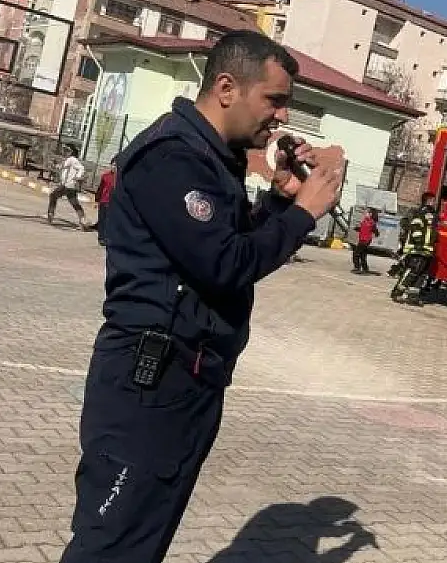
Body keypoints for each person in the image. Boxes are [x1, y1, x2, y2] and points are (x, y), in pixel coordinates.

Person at [58, 30, 342, 563]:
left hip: (184, 381)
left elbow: (225, 246)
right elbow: (225, 265)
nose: (280, 116)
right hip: (148, 384)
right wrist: (304, 212)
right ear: (228, 88)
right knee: (111, 545)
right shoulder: (173, 157)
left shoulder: (213, 161)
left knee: (142, 540)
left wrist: (279, 205)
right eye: (274, 100)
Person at [390, 192, 439, 306]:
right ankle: (397, 292)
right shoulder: (420, 213)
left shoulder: (432, 214)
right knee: (412, 271)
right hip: (417, 249)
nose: (434, 202)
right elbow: (416, 227)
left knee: (421, 274)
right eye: (432, 200)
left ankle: (413, 296)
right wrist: (418, 242)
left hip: (426, 250)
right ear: (427, 201)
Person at [48, 144, 89, 230]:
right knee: (74, 203)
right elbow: (62, 167)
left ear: (71, 152)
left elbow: (81, 168)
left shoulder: (72, 159)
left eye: (67, 150)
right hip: (68, 185)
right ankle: (83, 220)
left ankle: (51, 214)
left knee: (53, 195)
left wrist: (78, 176)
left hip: (68, 185)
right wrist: (55, 166)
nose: (65, 152)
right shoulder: (70, 160)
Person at [352, 208, 380, 274]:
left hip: (365, 240)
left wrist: (376, 233)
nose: (365, 214)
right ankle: (365, 268)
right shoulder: (365, 221)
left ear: (370, 214)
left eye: (367, 213)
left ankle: (357, 267)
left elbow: (375, 231)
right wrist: (357, 229)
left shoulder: (372, 222)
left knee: (356, 254)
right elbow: (363, 229)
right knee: (362, 255)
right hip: (362, 239)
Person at [95, 161, 117, 246]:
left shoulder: (119, 178)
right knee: (102, 220)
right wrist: (97, 200)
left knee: (109, 220)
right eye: (113, 165)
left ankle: (108, 237)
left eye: (116, 165)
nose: (114, 167)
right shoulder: (105, 176)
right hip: (103, 200)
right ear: (110, 165)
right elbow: (100, 189)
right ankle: (101, 238)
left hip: (113, 203)